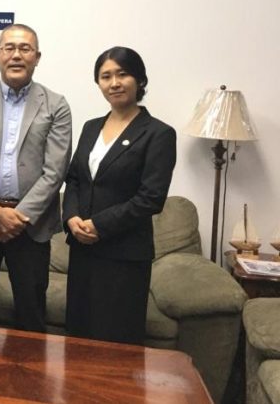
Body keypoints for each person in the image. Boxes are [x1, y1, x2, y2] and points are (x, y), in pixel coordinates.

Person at [0, 23, 72, 332]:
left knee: (31, 316)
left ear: (37, 57)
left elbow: (55, 171)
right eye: (9, 48)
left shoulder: (56, 105)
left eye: (25, 48)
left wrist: (16, 218)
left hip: (30, 225)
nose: (16, 55)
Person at [63, 46, 176, 345]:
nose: (114, 83)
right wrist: (71, 217)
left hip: (124, 255)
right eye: (106, 76)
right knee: (78, 336)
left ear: (139, 80)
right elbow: (74, 179)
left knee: (115, 342)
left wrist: (99, 225)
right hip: (82, 250)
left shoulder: (158, 133)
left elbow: (151, 198)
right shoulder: (91, 127)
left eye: (122, 74)